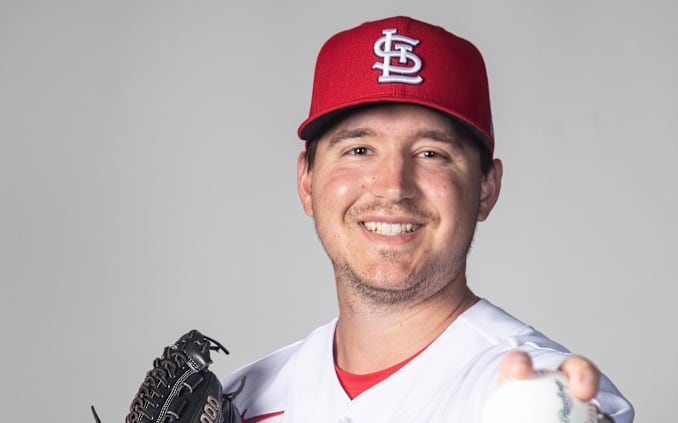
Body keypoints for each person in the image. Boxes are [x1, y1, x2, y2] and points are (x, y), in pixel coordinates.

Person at [223, 16, 634, 423]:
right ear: (307, 181)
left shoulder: (531, 393)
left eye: (430, 154)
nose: (392, 186)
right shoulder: (245, 401)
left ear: (486, 188)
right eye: (359, 150)